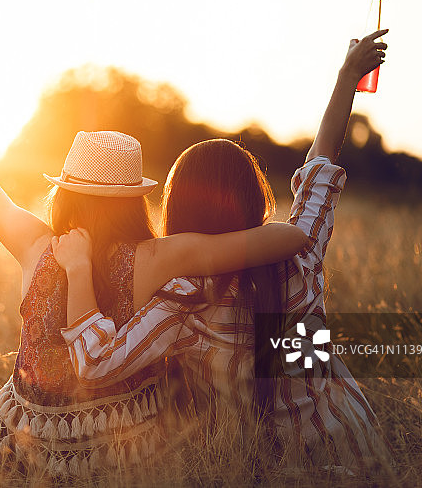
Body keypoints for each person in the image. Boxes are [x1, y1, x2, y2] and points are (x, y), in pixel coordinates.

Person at [0, 73, 309, 476]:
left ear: (65, 194)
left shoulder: (34, 245)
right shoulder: (158, 258)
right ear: (133, 200)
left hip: (23, 443)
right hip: (121, 451)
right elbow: (286, 239)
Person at [51, 30, 391, 472]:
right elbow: (319, 166)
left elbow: (96, 364)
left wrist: (78, 269)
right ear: (254, 197)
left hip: (269, 472)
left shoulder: (185, 296)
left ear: (177, 209)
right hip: (354, 450)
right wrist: (347, 78)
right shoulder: (300, 253)